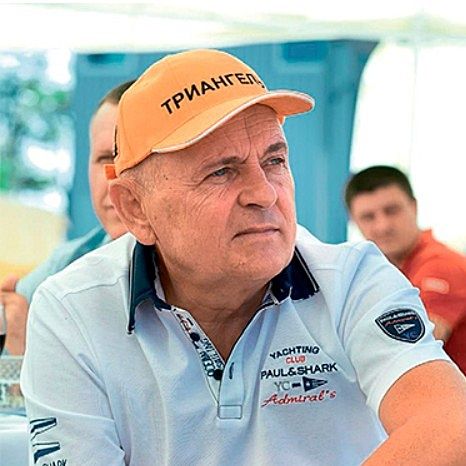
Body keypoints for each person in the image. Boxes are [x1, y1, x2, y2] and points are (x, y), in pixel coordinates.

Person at [21, 50, 466, 466]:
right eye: (221, 171)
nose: (264, 193)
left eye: (275, 161)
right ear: (136, 208)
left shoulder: (352, 279)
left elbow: (450, 422)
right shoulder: (71, 310)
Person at [0, 80, 134, 355]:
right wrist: (21, 349)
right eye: (104, 159)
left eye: (129, 158)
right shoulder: (67, 264)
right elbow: (12, 322)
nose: (114, 180)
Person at [345, 165, 466, 374]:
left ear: (414, 207)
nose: (383, 226)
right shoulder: (382, 272)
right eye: (368, 217)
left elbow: (411, 347)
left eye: (392, 211)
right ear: (354, 221)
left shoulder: (440, 264)